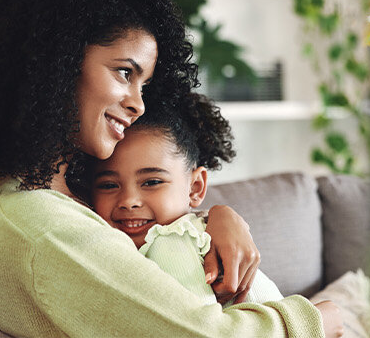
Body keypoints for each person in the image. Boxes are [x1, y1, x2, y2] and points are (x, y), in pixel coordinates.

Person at [0, 0, 337, 336]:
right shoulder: (42, 227)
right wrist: (321, 319)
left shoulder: (39, 189)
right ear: (55, 62)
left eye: (143, 83)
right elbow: (204, 334)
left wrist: (217, 216)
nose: (138, 104)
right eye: (125, 72)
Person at [80, 90, 284, 304]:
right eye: (109, 185)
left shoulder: (171, 241)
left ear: (195, 187)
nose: (129, 201)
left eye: (152, 182)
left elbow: (200, 329)